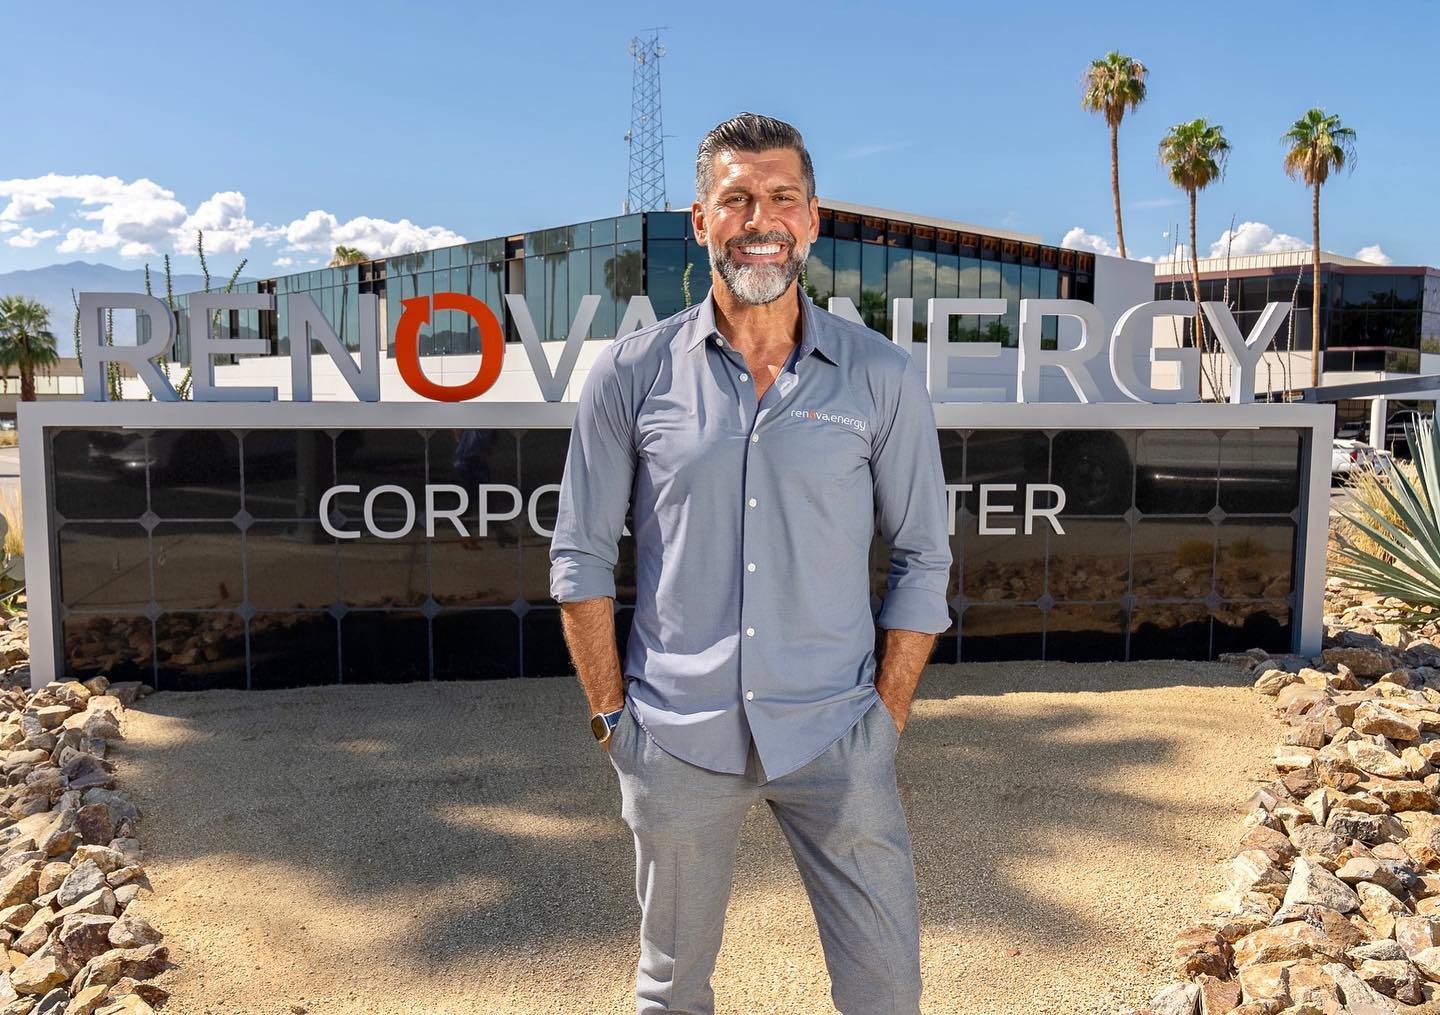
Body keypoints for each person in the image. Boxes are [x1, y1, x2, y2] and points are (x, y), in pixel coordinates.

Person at [549, 112, 952, 1015]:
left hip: (837, 734)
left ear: (812, 219)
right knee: (670, 992)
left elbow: (924, 557)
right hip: (676, 736)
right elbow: (578, 557)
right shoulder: (630, 374)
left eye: (781, 198)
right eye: (736, 199)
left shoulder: (881, 377)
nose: (759, 218)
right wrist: (615, 721)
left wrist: (883, 721)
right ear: (702, 221)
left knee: (887, 992)